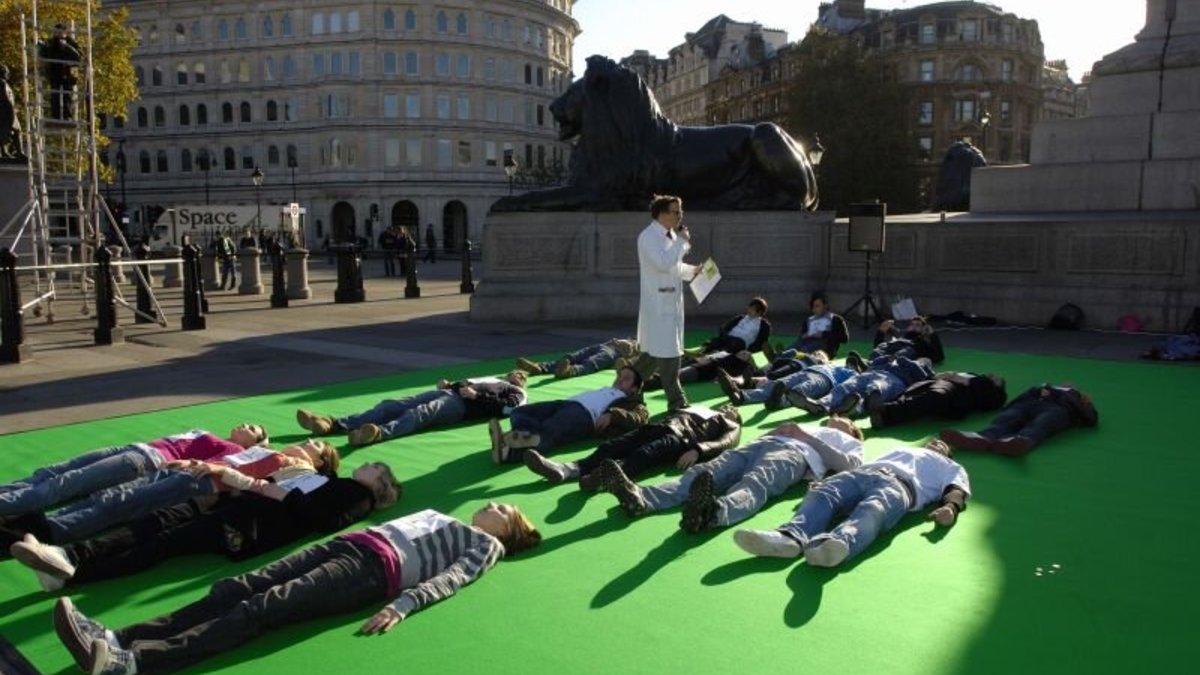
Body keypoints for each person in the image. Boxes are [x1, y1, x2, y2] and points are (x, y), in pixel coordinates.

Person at [54, 503, 541, 675]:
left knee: (261, 608)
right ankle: (119, 636)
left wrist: (406, 604)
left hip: (373, 571)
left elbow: (452, 578)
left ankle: (138, 661)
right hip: (350, 546)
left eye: (503, 509)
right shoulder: (447, 516)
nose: (492, 504)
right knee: (234, 588)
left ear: (508, 531)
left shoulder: (485, 546)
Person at [10, 462, 402, 591]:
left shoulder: (357, 495)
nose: (366, 464)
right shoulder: (334, 480)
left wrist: (283, 496)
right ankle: (66, 558)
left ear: (378, 480)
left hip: (250, 524)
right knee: (157, 521)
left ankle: (72, 570)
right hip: (237, 504)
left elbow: (326, 521)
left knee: (162, 543)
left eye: (374, 466)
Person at [7, 440, 339, 546]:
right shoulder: (272, 450)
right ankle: (34, 526)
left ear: (321, 462)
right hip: (194, 470)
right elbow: (232, 457)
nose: (310, 443)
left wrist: (219, 472)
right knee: (112, 495)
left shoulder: (303, 471)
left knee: (120, 505)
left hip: (206, 483)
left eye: (318, 447)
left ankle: (44, 532)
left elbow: (266, 489)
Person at [601, 417, 864, 533]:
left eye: (843, 418)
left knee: (756, 483)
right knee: (704, 472)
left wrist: (802, 436)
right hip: (758, 446)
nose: (836, 417)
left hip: (795, 456)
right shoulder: (811, 424)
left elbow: (849, 465)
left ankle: (713, 513)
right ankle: (642, 498)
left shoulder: (850, 441)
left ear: (852, 429)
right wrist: (775, 433)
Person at [733, 439, 969, 567]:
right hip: (864, 474)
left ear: (947, 455)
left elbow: (956, 489)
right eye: (934, 442)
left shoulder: (950, 466)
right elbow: (858, 467)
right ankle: (790, 539)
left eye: (942, 446)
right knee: (824, 494)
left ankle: (836, 545)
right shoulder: (901, 449)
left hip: (900, 487)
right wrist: (827, 480)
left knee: (873, 510)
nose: (936, 445)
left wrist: (951, 507)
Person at [0, 425, 268, 519]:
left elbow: (214, 467)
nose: (247, 425)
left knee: (62, 484)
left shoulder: (233, 448)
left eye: (254, 429)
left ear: (252, 443)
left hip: (144, 460)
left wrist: (183, 464)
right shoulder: (212, 434)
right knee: (52, 472)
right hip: (134, 448)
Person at [523, 403, 741, 490]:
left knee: (643, 454)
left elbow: (724, 442)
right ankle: (567, 469)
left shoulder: (729, 423)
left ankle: (603, 479)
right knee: (613, 445)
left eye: (733, 409)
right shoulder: (700, 407)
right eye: (727, 406)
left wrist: (698, 450)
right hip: (661, 426)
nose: (728, 407)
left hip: (682, 439)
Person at [296, 371, 528, 447]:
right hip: (450, 393)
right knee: (393, 405)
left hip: (461, 406)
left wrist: (478, 396)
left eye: (519, 375)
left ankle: (378, 433)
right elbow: (469, 384)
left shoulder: (518, 393)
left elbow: (508, 411)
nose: (514, 374)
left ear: (522, 381)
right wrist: (451, 385)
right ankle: (335, 424)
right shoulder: (496, 378)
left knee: (419, 414)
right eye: (515, 372)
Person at [489, 366, 648, 464]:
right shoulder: (608, 389)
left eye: (626, 379)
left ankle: (509, 451)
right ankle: (521, 438)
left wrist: (613, 415)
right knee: (519, 412)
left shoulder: (634, 403)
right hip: (565, 404)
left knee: (549, 431)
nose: (620, 380)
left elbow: (640, 419)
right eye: (619, 376)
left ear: (634, 389)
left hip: (585, 416)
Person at [637, 195, 700, 411]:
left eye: (680, 211)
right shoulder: (648, 237)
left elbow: (674, 267)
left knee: (655, 353)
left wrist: (694, 271)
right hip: (658, 303)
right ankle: (677, 401)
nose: (680, 215)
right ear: (662, 213)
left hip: (670, 302)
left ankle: (625, 390)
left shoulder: (671, 235)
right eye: (675, 211)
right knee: (669, 353)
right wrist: (682, 242)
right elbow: (663, 264)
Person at [939, 383, 1098, 456]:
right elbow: (1020, 398)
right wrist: (1012, 406)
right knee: (1009, 417)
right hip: (1029, 403)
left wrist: (1065, 394)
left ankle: (1019, 441)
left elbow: (1091, 417)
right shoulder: (1043, 387)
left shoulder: (1076, 396)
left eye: (1070, 385)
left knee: (1043, 421)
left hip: (1056, 409)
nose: (1066, 383)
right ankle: (983, 437)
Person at [792, 354, 935, 417]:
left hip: (895, 379)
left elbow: (925, 379)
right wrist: (886, 358)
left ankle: (855, 409)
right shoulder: (891, 361)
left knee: (876, 388)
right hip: (870, 373)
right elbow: (872, 364)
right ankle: (821, 405)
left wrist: (906, 361)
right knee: (844, 387)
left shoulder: (918, 369)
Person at [717, 350, 855, 411]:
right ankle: (741, 396)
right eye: (816, 353)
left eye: (821, 354)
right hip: (804, 372)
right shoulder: (812, 361)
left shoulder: (840, 369)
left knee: (800, 391)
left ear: (827, 360)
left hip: (824, 379)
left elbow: (853, 380)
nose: (817, 354)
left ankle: (779, 402)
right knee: (777, 385)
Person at [870, 371, 1007, 429]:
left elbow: (995, 400)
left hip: (956, 395)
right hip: (943, 384)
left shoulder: (991, 390)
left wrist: (975, 381)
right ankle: (882, 412)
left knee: (935, 397)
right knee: (918, 394)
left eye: (995, 378)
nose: (993, 376)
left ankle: (885, 412)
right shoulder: (973, 375)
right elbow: (948, 375)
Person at [515, 337, 640, 379]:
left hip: (614, 352)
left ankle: (570, 371)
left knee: (592, 362)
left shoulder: (643, 349)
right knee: (573, 356)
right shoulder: (638, 336)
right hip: (605, 345)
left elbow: (634, 361)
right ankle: (540, 368)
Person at [777, 291, 849, 358]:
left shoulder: (835, 319)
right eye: (813, 307)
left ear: (825, 306)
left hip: (825, 346)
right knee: (796, 345)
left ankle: (791, 356)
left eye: (817, 306)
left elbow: (844, 338)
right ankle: (780, 355)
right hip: (808, 341)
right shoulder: (809, 320)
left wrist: (823, 334)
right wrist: (804, 335)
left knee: (805, 349)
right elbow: (801, 336)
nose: (815, 309)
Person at [40, 24, 81, 120]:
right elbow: (44, 54)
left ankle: (67, 115)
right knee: (55, 94)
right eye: (55, 32)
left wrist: (66, 47)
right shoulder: (50, 43)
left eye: (59, 32)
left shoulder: (71, 42)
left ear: (65, 33)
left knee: (67, 95)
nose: (57, 34)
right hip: (55, 71)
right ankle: (56, 116)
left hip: (68, 72)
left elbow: (78, 56)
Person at [863, 316, 945, 364]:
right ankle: (869, 363)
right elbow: (878, 347)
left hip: (906, 351)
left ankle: (887, 361)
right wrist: (881, 331)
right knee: (880, 349)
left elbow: (939, 357)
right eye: (912, 324)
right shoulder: (899, 339)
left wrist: (933, 334)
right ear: (908, 328)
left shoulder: (921, 343)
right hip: (895, 346)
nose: (914, 326)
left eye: (917, 325)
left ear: (923, 329)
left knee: (906, 351)